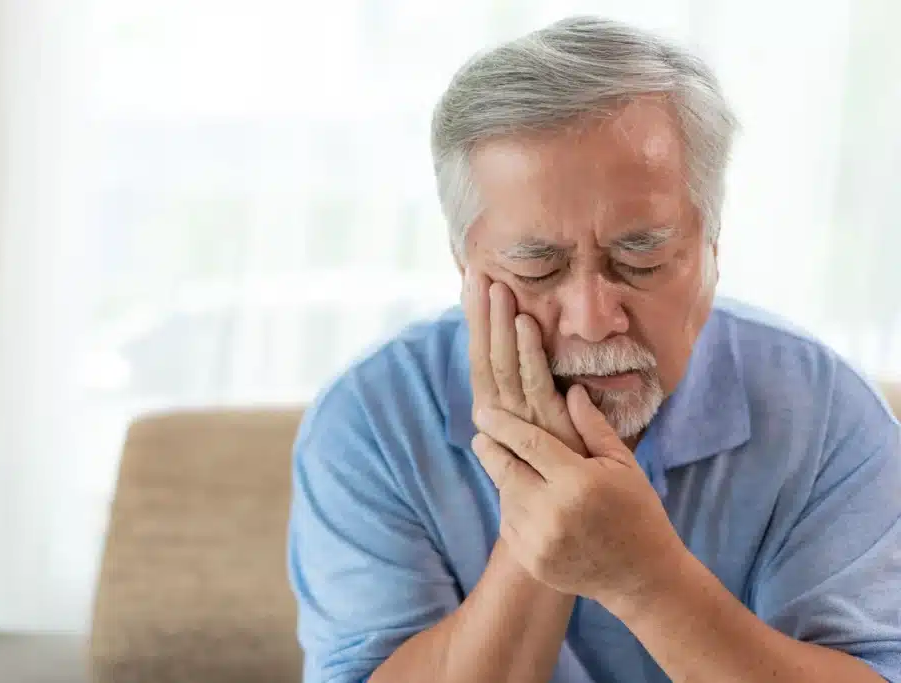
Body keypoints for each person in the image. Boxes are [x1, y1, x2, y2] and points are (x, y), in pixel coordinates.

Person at [287, 15, 901, 683]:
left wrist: (645, 578)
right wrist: (545, 516)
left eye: (641, 258)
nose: (591, 318)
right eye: (536, 268)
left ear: (712, 249)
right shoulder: (370, 423)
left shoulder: (825, 414)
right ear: (466, 268)